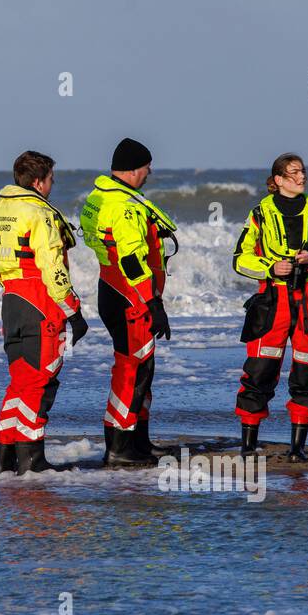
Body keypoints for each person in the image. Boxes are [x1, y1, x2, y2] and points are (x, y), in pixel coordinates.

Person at [231, 153, 308, 461]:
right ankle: (248, 446)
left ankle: (298, 448)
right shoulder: (258, 214)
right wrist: (270, 268)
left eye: (303, 172)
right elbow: (240, 259)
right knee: (259, 371)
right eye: (294, 173)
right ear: (279, 180)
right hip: (272, 302)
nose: (301, 177)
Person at [0, 151, 88, 475]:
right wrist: (73, 310)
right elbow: (52, 265)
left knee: (19, 382)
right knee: (40, 382)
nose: (52, 185)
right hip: (39, 300)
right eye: (51, 180)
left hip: (11, 299)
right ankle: (32, 460)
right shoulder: (39, 212)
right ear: (38, 182)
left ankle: (5, 461)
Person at [79, 138, 178, 465]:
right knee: (133, 369)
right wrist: (154, 304)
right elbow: (132, 260)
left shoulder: (99, 197)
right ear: (135, 168)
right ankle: (120, 449)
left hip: (111, 289)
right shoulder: (123, 207)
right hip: (130, 296)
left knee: (142, 368)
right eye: (147, 166)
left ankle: (139, 441)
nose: (150, 171)